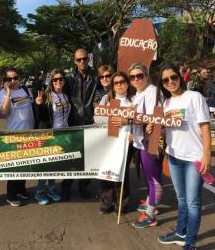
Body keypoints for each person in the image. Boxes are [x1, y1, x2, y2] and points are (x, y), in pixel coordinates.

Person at [156, 63, 211, 250]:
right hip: (174, 157)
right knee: (181, 199)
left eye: (173, 77)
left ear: (180, 77)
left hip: (193, 158)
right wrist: (156, 129)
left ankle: (191, 243)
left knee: (193, 202)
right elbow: (167, 130)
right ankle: (180, 232)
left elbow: (205, 127)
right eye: (165, 80)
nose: (170, 81)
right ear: (162, 83)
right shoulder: (166, 103)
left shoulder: (194, 97)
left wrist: (207, 155)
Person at [96, 71, 136, 214]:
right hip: (109, 141)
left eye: (122, 82)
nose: (119, 85)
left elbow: (139, 121)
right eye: (116, 83)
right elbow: (97, 118)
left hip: (127, 143)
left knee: (122, 173)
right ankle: (106, 203)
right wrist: (113, 119)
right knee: (107, 172)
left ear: (127, 83)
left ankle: (121, 205)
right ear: (112, 85)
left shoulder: (134, 100)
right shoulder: (107, 99)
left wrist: (130, 125)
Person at [128, 62, 163, 229]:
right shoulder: (137, 94)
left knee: (154, 179)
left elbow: (154, 117)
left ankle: (150, 215)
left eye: (139, 76)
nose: (136, 79)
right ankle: (151, 203)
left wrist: (132, 118)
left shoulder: (152, 92)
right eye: (133, 77)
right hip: (141, 139)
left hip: (152, 139)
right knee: (150, 177)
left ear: (146, 75)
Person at [61, 48, 98, 201]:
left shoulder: (96, 75)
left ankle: (84, 186)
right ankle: (66, 187)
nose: (82, 62)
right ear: (74, 61)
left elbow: (101, 92)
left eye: (84, 59)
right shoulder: (68, 77)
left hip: (90, 121)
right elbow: (57, 92)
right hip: (72, 121)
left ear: (88, 59)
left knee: (88, 156)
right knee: (71, 157)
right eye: (79, 59)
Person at [0, 68, 34, 207]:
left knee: (25, 165)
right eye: (9, 79)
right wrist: (7, 93)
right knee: (15, 167)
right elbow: (3, 111)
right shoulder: (3, 93)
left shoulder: (26, 90)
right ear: (5, 81)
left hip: (29, 132)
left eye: (15, 78)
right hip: (14, 134)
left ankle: (21, 189)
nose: (13, 81)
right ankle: (11, 194)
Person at [33, 69, 71, 204]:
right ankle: (40, 191)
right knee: (46, 165)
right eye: (55, 79)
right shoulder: (47, 95)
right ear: (51, 82)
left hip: (64, 134)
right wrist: (38, 104)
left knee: (55, 164)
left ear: (64, 81)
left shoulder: (66, 95)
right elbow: (40, 117)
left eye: (60, 79)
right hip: (50, 135)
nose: (58, 81)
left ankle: (51, 188)